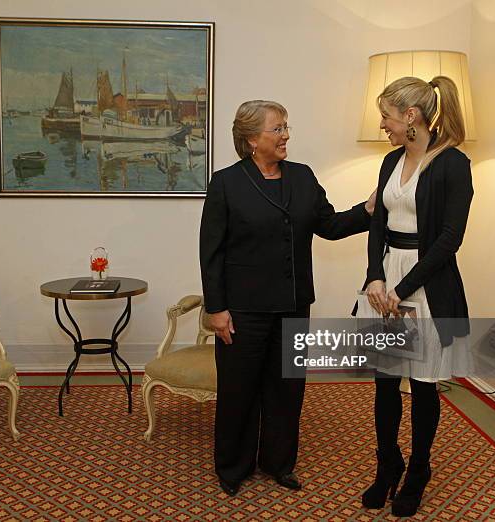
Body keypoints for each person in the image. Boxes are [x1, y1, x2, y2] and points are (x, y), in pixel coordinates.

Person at [200, 100, 376, 496]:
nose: (286, 136)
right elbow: (210, 251)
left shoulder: (302, 177)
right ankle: (233, 466)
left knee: (287, 389)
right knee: (238, 389)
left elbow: (328, 226)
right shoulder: (226, 183)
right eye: (277, 129)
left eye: (285, 127)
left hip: (294, 303)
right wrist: (217, 308)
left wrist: (366, 211)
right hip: (243, 309)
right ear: (251, 139)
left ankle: (278, 463)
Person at [359, 76, 473, 517]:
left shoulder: (452, 164)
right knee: (385, 380)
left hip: (426, 284)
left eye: (387, 115)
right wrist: (375, 279)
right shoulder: (389, 160)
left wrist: (402, 290)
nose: (382, 124)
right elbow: (377, 224)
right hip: (385, 279)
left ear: (411, 116)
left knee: (424, 384)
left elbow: (449, 239)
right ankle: (388, 464)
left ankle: (419, 469)